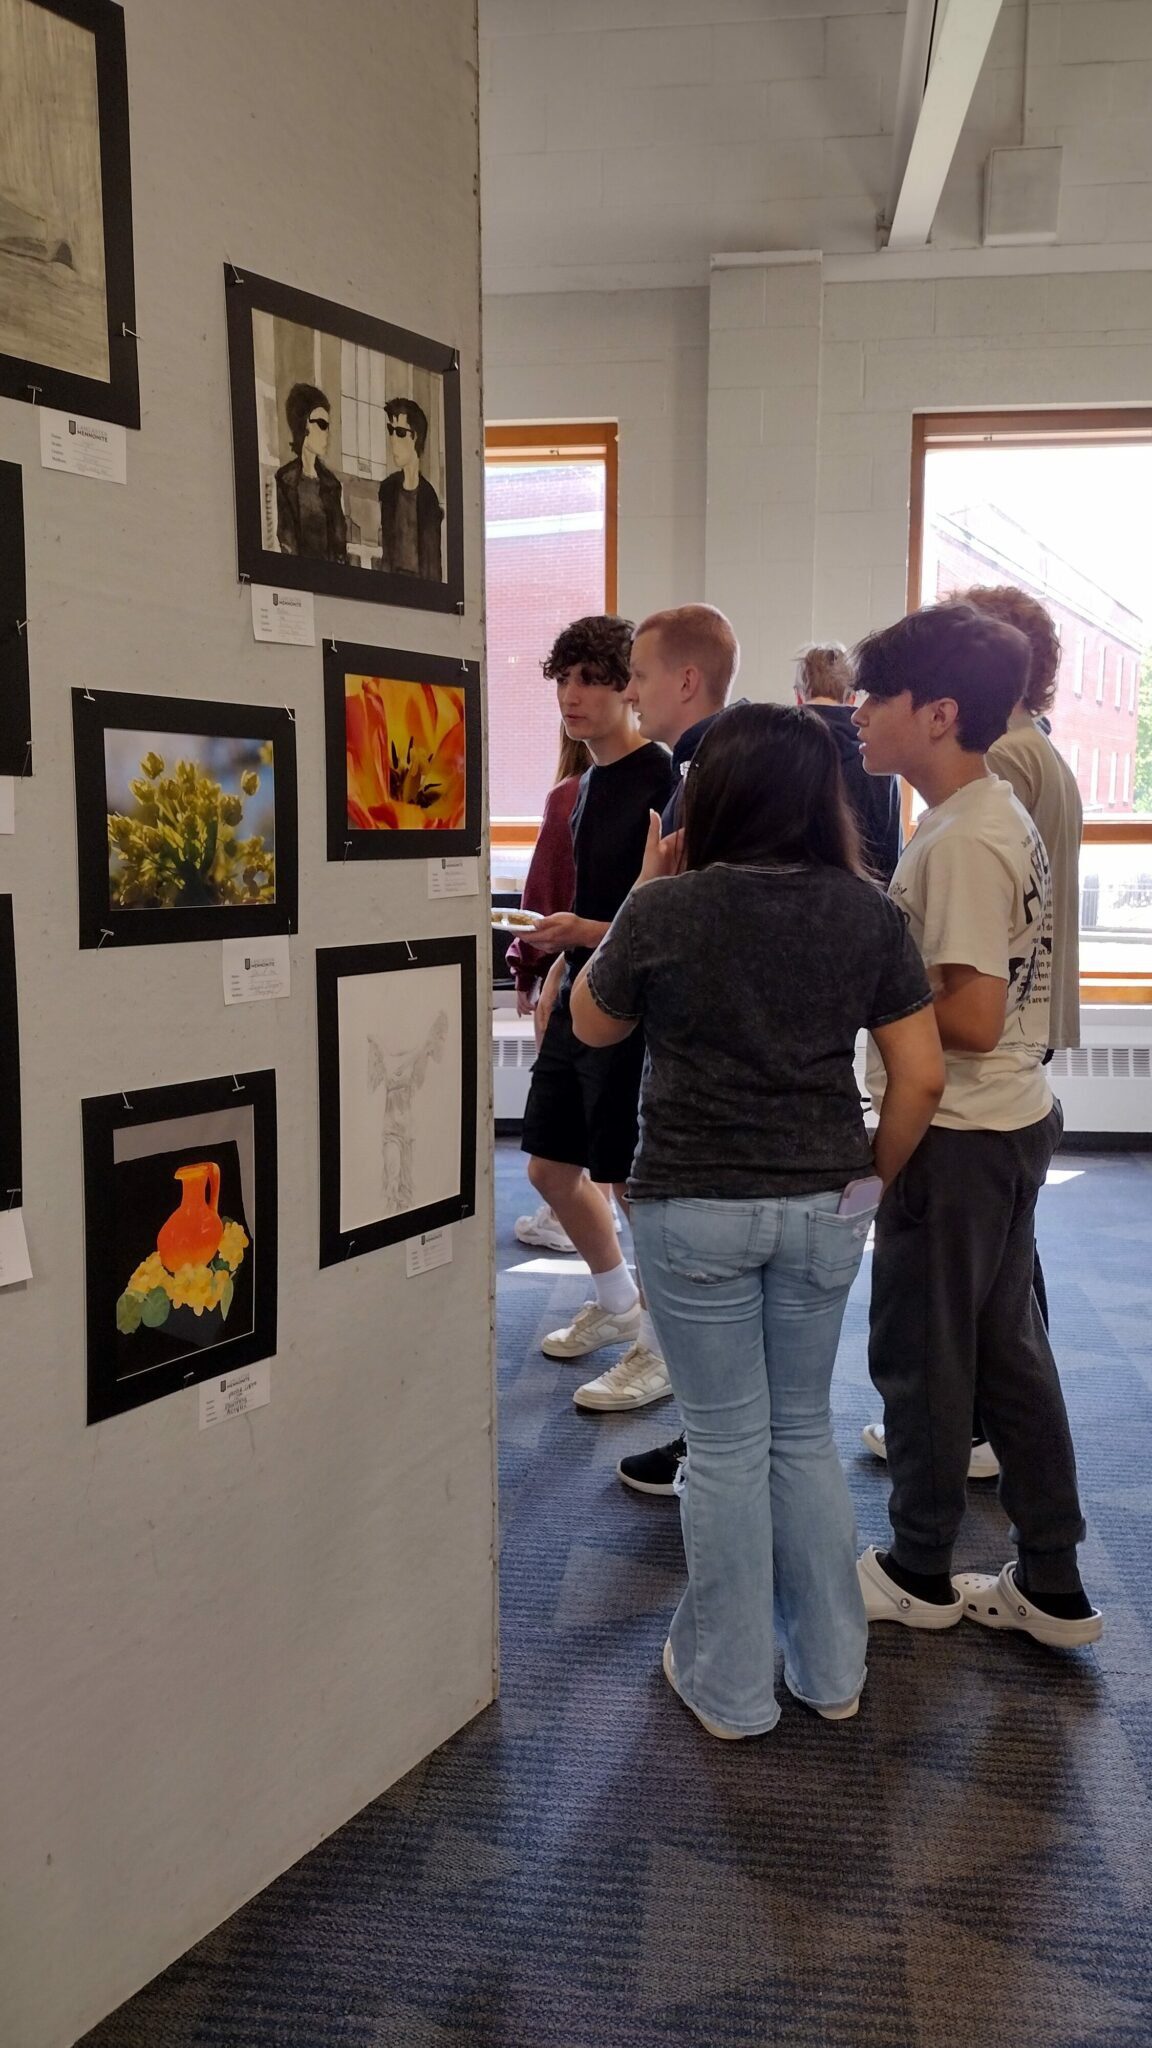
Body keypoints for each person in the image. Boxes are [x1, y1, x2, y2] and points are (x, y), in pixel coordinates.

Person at [569, 703, 943, 1737]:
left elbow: (591, 1020)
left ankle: (731, 1687)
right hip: (825, 1199)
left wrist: (647, 884)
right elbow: (920, 1075)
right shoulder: (868, 911)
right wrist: (868, 1178)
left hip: (693, 1205)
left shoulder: (670, 909)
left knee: (726, 1448)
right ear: (821, 797)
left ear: (710, 798)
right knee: (801, 1438)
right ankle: (831, 1671)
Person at [852, 602, 1103, 1649]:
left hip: (957, 1132)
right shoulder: (980, 815)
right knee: (1007, 1352)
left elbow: (972, 1012)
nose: (860, 716)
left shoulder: (962, 837)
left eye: (878, 698)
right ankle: (1050, 1578)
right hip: (1005, 1122)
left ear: (939, 710)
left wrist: (858, 985)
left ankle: (919, 1563)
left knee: (922, 1352)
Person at [520, 615, 674, 1411]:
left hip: (634, 1006)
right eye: (563, 680)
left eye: (588, 679)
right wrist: (556, 967)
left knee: (625, 1179)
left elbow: (673, 915)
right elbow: (586, 903)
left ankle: (660, 1348)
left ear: (627, 687)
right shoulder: (583, 786)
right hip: (581, 988)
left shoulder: (666, 780)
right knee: (548, 1165)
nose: (570, 697)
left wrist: (588, 934)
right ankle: (621, 1308)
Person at [610, 605, 745, 1492]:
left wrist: (641, 908)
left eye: (640, 675)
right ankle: (715, 1445)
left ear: (686, 681)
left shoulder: (710, 770)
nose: (628, 692)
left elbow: (695, 917)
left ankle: (712, 1453)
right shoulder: (710, 763)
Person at [507, 727, 599, 1255]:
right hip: (614, 967)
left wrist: (527, 968)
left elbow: (542, 894)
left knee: (562, 1118)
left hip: (571, 966)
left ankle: (568, 1216)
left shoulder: (569, 794)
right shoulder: (661, 784)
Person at [794, 644, 902, 883]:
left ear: (799, 696)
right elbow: (891, 855)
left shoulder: (777, 751)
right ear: (853, 697)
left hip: (788, 903)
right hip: (864, 903)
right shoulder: (880, 761)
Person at [275, 384, 348, 562]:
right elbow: (286, 540)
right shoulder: (285, 480)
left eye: (328, 426)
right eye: (322, 425)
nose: (327, 434)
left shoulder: (332, 484)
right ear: (303, 424)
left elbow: (340, 545)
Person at [377, 398, 443, 580]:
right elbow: (386, 553)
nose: (392, 440)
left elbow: (432, 565)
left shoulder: (428, 499)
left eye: (399, 432)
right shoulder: (388, 489)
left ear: (415, 437)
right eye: (390, 431)